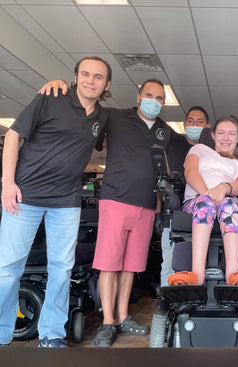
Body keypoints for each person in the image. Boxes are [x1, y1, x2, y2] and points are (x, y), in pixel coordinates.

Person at [38, 78, 172, 347]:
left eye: (159, 98)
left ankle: (123, 316)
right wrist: (64, 87)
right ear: (138, 97)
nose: (153, 101)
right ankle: (108, 321)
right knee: (109, 264)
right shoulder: (114, 117)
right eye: (149, 95)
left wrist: (158, 200)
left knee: (131, 266)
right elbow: (84, 108)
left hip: (146, 205)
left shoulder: (164, 131)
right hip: (115, 200)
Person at [0, 56, 111, 348]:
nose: (91, 80)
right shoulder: (50, 98)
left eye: (98, 77)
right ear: (75, 77)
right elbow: (13, 136)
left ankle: (52, 334)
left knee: (62, 269)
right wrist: (7, 183)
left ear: (107, 84)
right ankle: (1, 333)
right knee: (7, 269)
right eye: (85, 74)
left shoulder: (102, 118)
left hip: (66, 202)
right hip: (25, 196)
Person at [167, 116, 238, 286]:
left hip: (228, 203)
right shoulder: (199, 149)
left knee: (227, 204)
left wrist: (224, 188)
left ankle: (233, 274)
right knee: (205, 203)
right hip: (196, 201)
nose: (225, 138)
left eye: (231, 134)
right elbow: (190, 173)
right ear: (213, 135)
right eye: (221, 133)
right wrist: (208, 195)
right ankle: (196, 275)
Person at [159, 106, 211, 286]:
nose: (194, 125)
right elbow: (161, 179)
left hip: (205, 213)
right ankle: (168, 302)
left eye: (200, 122)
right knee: (170, 260)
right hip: (174, 213)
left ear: (208, 126)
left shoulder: (212, 151)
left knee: (201, 261)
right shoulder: (172, 145)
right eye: (190, 121)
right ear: (184, 124)